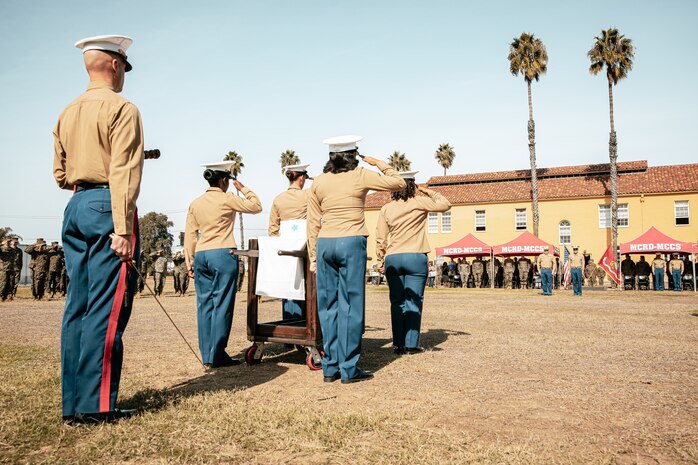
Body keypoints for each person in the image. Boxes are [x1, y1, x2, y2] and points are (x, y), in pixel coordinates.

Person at [53, 35, 143, 423]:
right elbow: (122, 170)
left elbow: (60, 173)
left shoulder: (67, 110)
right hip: (109, 206)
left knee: (78, 306)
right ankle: (96, 405)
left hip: (75, 203)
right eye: (124, 66)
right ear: (114, 65)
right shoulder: (123, 108)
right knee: (105, 311)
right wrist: (122, 229)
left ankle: (73, 404)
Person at [308, 135, 405, 384]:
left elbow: (312, 221)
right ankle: (349, 367)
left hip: (325, 243)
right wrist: (376, 162)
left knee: (328, 306)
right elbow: (398, 182)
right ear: (353, 155)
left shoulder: (318, 181)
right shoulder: (360, 174)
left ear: (331, 157)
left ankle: (330, 366)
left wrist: (312, 256)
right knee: (350, 304)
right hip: (351, 241)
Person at [184, 161, 262, 368]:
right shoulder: (227, 198)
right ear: (223, 180)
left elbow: (190, 235)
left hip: (201, 254)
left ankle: (207, 355)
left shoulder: (196, 203)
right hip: (222, 252)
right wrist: (243, 189)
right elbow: (256, 206)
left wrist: (189, 261)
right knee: (222, 305)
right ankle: (217, 354)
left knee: (204, 305)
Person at [375, 171, 451, 355]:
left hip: (393, 257)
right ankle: (411, 344)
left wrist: (379, 259)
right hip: (416, 256)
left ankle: (398, 344)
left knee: (396, 302)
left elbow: (381, 238)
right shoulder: (419, 202)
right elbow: (446, 204)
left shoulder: (386, 208)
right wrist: (427, 191)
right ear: (412, 186)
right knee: (414, 301)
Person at [268, 163, 312, 319]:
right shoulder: (308, 195)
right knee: (306, 284)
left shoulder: (278, 199)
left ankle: (289, 322)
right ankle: (303, 324)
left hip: (284, 245)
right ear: (301, 178)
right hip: (305, 245)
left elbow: (272, 229)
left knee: (288, 285)